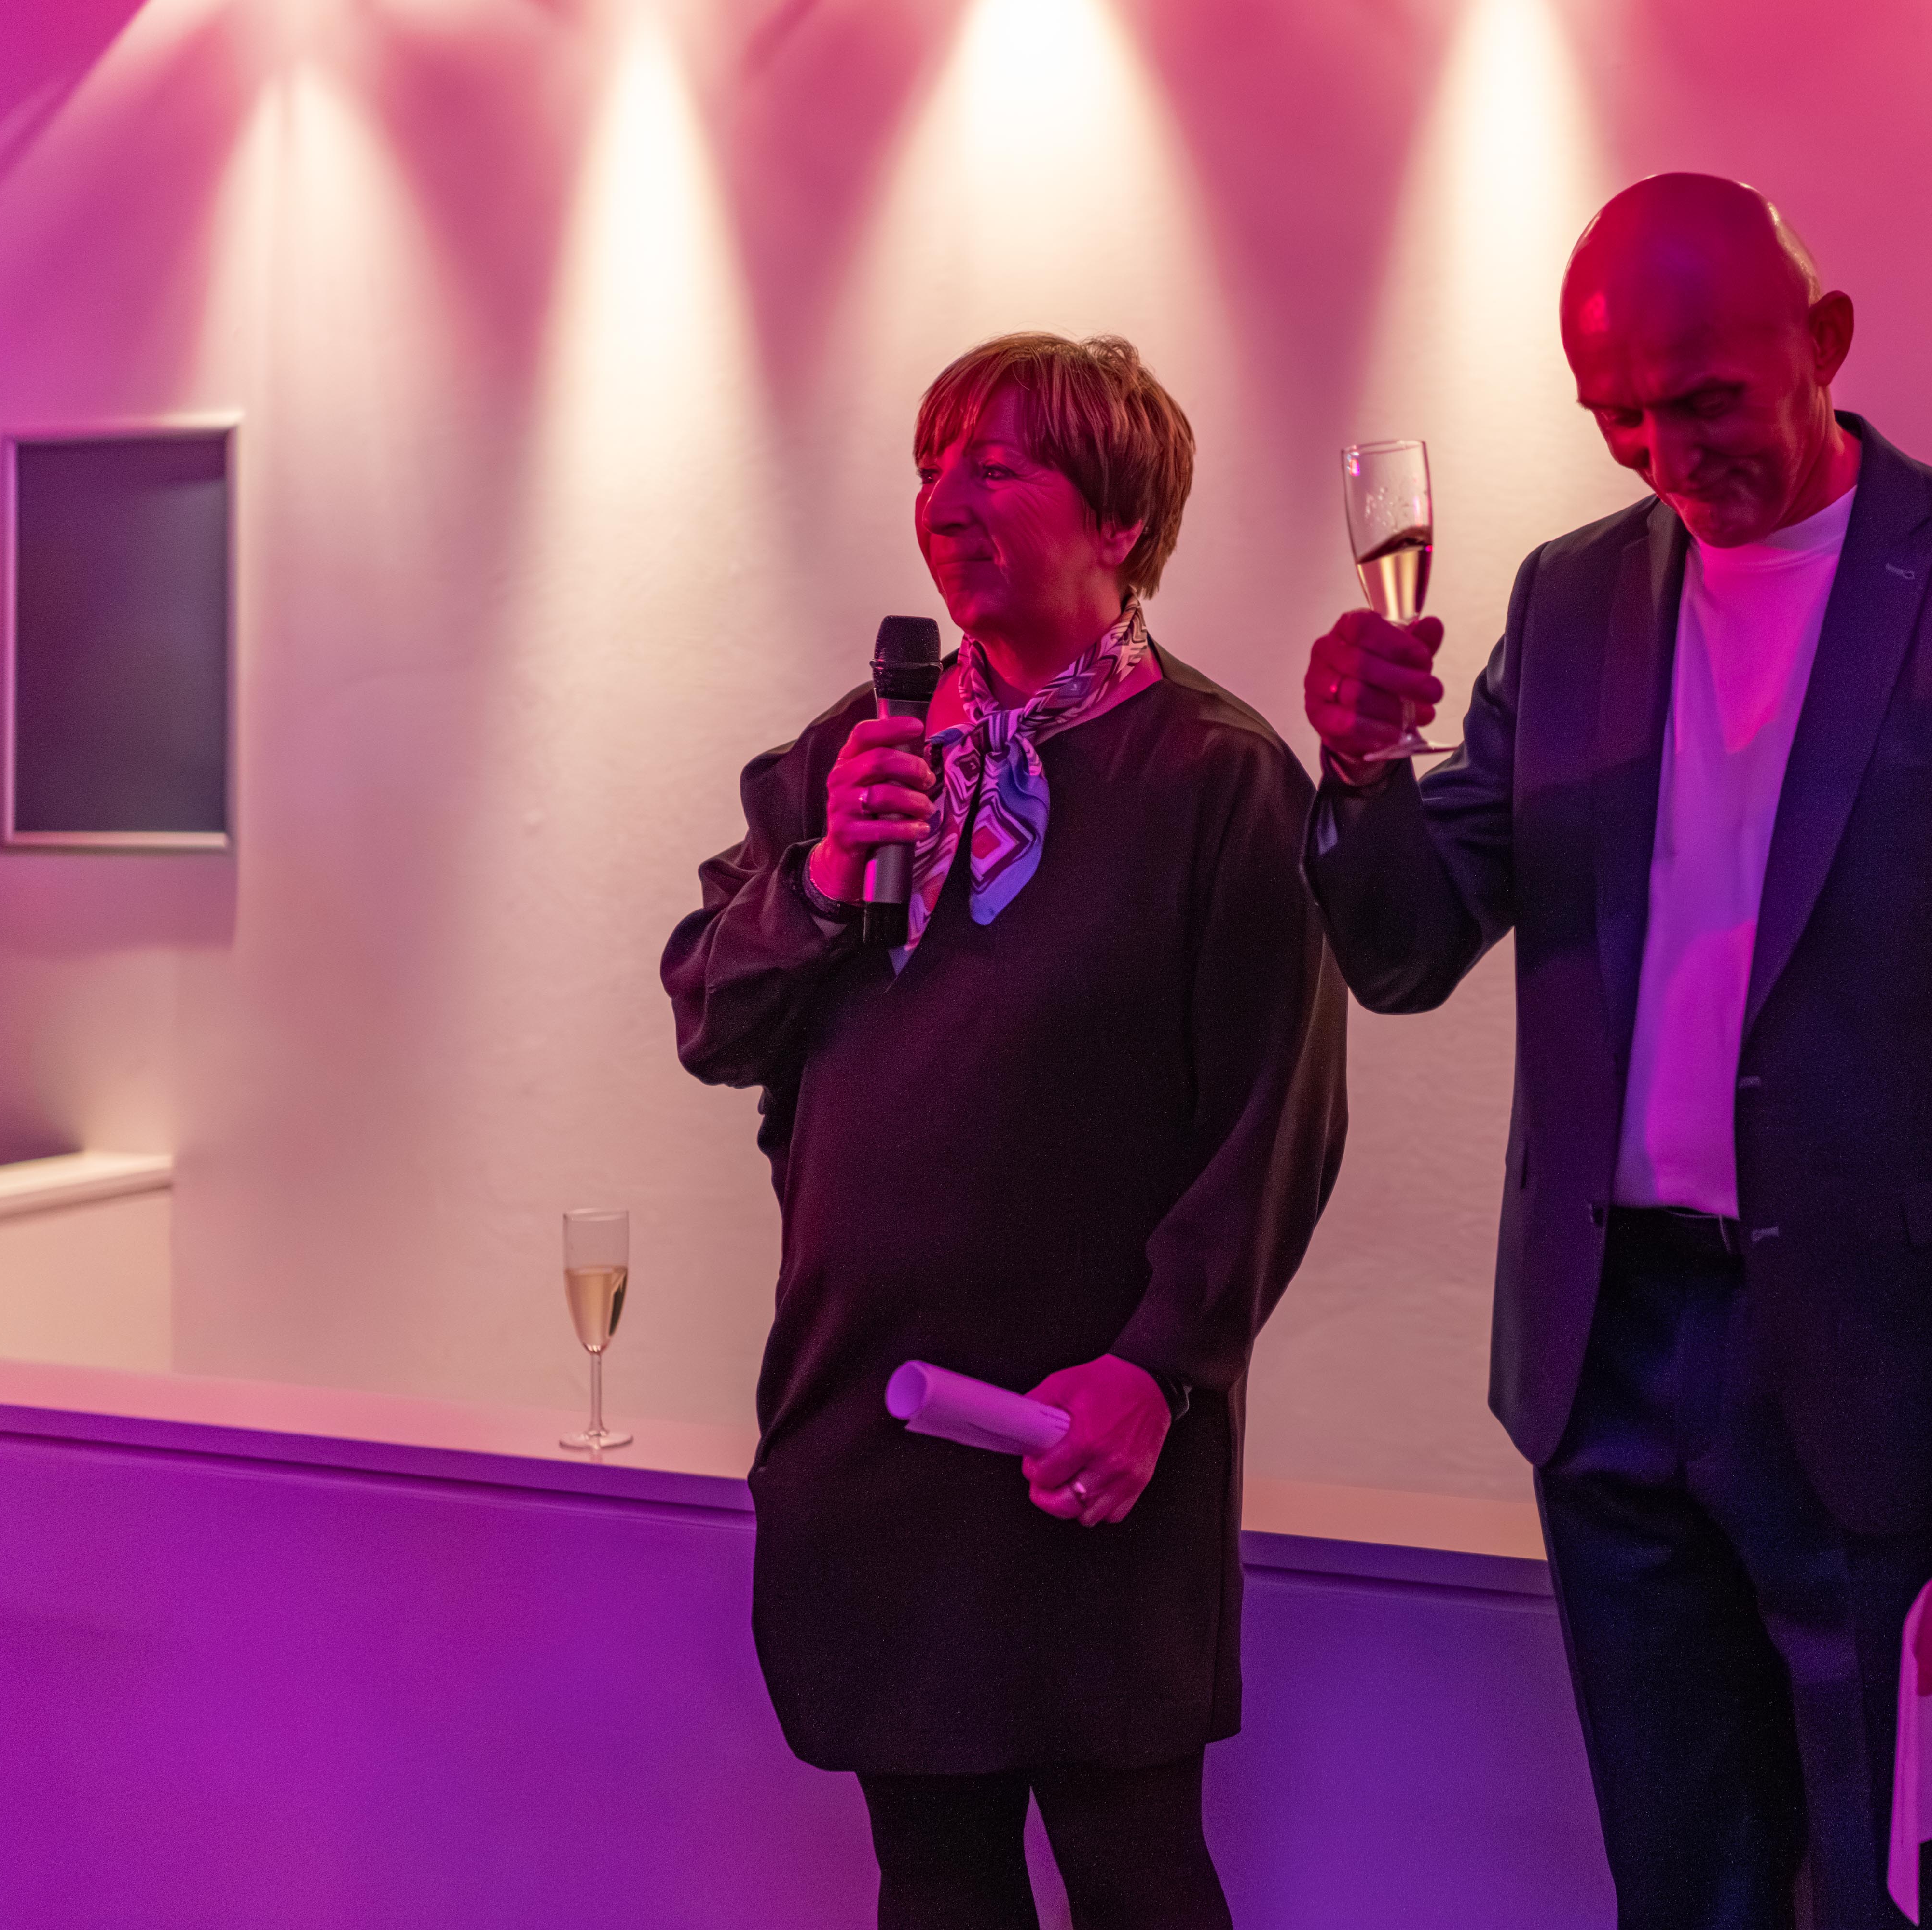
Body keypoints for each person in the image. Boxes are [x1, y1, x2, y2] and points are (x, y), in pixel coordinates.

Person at [1300, 176, 1932, 1929]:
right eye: (1616, 416)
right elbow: (1407, 948)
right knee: (1679, 1892)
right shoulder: (1569, 603)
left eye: (1703, 399)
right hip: (1609, 1358)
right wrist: (1360, 775)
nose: (1664, 455)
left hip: (1887, 1382)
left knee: (1909, 1900)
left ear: (1824, 342)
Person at [665, 332, 1348, 1930]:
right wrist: (821, 880)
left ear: (1119, 518)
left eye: (995, 466)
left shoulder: (1222, 779)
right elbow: (712, 1019)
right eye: (931, 468)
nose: (946, 500)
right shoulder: (855, 753)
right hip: (873, 1416)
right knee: (934, 1877)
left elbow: (1279, 1114)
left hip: (1086, 1437)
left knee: (1136, 1873)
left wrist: (1157, 1369)